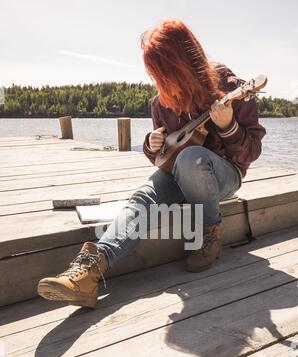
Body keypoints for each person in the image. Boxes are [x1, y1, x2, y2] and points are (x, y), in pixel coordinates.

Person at [37, 18, 266, 308]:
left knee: (192, 158)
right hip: (179, 174)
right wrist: (151, 144)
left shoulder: (229, 86)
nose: (160, 81)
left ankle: (210, 233)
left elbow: (251, 152)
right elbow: (163, 159)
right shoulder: (161, 103)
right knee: (143, 196)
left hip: (224, 177)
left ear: (183, 61)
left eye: (163, 71)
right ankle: (88, 271)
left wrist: (229, 125)